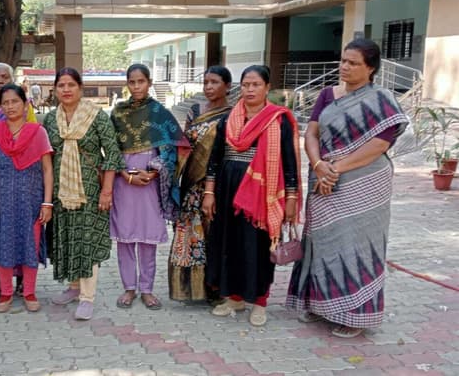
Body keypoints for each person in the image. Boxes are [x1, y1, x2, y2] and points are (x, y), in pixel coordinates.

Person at [286, 39, 409, 338]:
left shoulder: (382, 99)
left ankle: (355, 315)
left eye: (353, 63)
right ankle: (319, 304)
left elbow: (379, 145)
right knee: (322, 239)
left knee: (357, 243)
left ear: (371, 68)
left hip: (365, 181)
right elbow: (311, 133)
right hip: (324, 178)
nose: (345, 67)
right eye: (343, 61)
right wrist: (319, 165)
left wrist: (335, 169)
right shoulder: (328, 95)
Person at [202, 65, 301, 327]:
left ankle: (260, 302)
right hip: (228, 190)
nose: (250, 90)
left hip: (262, 195)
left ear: (267, 87)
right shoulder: (229, 120)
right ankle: (234, 298)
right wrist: (209, 193)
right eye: (246, 85)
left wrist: (291, 198)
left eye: (256, 85)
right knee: (230, 244)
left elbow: (289, 163)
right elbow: (215, 159)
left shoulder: (278, 120)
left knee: (258, 246)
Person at [43, 67, 124, 320]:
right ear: (55, 90)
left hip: (90, 190)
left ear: (80, 88)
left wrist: (107, 191)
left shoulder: (96, 116)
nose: (66, 90)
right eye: (61, 85)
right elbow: (46, 158)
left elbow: (112, 153)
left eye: (71, 85)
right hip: (60, 189)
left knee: (87, 240)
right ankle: (74, 286)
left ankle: (87, 297)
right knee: (68, 236)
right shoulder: (50, 119)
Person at [109, 64, 189, 310]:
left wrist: (154, 171)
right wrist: (127, 175)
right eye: (132, 82)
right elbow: (110, 149)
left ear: (149, 82)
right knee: (125, 238)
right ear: (127, 84)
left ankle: (147, 289)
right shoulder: (118, 113)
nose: (136, 87)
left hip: (150, 184)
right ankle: (129, 288)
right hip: (123, 183)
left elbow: (175, 147)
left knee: (147, 239)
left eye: (141, 81)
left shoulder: (159, 113)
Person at [0, 84, 54, 313]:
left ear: (25, 105)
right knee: (3, 244)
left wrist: (47, 202)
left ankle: (29, 291)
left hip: (30, 201)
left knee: (29, 244)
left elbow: (47, 169)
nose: (10, 106)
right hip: (2, 201)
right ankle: (6, 292)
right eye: (5, 103)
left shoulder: (38, 132)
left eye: (15, 101)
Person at [169, 66, 233, 303]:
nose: (208, 87)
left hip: (215, 185)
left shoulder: (232, 115)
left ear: (227, 86)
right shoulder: (194, 111)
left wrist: (212, 187)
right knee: (192, 233)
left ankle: (215, 287)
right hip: (191, 183)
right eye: (206, 82)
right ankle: (191, 287)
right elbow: (185, 146)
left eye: (214, 82)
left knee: (213, 233)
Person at [0, 62, 36, 298]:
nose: (0, 80)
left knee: (23, 231)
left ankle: (22, 279)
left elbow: (31, 137)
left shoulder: (25, 107)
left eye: (5, 76)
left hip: (23, 179)